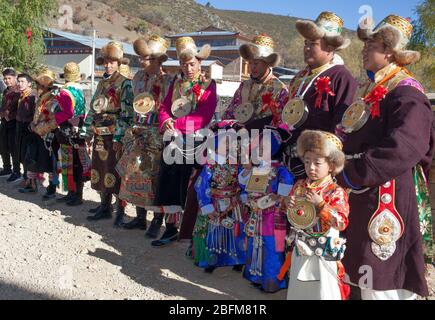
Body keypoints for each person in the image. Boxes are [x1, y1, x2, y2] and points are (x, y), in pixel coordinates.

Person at [336, 15, 434, 300]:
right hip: (363, 188)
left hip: (387, 191)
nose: (364, 48)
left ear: (390, 51)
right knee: (360, 263)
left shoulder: (407, 92)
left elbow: (405, 146)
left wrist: (353, 172)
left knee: (381, 270)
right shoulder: (368, 90)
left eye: (372, 44)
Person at [154, 36, 217, 247]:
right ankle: (171, 228)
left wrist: (177, 124)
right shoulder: (176, 82)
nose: (188, 68)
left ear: (200, 62)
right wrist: (165, 122)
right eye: (184, 64)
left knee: (191, 185)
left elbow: (203, 116)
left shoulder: (209, 84)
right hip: (174, 139)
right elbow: (164, 107)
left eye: (192, 64)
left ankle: (192, 232)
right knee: (170, 181)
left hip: (196, 141)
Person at [283, 11, 357, 179]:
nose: (307, 48)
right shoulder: (298, 78)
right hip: (292, 162)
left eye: (313, 44)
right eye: (306, 43)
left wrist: (320, 161)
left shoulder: (342, 77)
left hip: (319, 167)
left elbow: (341, 125)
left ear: (330, 47)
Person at [282, 130, 349, 300]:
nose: (311, 167)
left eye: (317, 163)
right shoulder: (299, 186)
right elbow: (288, 212)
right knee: (300, 289)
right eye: (307, 161)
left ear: (332, 165)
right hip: (300, 250)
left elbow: (341, 223)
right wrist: (286, 203)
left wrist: (321, 205)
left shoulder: (336, 192)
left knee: (324, 291)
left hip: (324, 252)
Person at [117, 35, 172, 238]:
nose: (141, 61)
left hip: (156, 135)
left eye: (146, 58)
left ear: (158, 60)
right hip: (137, 131)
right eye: (141, 57)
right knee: (134, 173)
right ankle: (140, 217)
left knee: (154, 176)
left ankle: (157, 220)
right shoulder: (137, 78)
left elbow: (169, 109)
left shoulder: (168, 81)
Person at [81, 41, 134, 227]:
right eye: (105, 62)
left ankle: (120, 210)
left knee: (115, 170)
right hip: (100, 133)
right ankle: (104, 206)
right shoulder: (102, 83)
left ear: (119, 63)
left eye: (112, 62)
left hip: (115, 134)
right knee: (101, 168)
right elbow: (93, 107)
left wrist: (120, 137)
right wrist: (87, 131)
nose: (108, 65)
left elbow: (128, 114)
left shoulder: (125, 84)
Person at [239, 125, 294, 293]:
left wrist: (269, 200)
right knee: (255, 245)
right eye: (259, 147)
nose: (261, 150)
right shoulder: (256, 168)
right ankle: (256, 276)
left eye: (265, 147)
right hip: (256, 215)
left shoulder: (282, 171)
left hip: (272, 217)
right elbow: (243, 184)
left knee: (271, 247)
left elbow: (283, 195)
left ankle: (272, 281)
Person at [193, 120, 247, 273]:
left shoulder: (239, 164)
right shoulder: (210, 165)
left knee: (236, 230)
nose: (229, 147)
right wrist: (207, 206)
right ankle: (211, 259)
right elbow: (201, 186)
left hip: (234, 202)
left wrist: (243, 195)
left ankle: (238, 259)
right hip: (215, 202)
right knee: (214, 231)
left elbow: (243, 182)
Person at [223, 34, 288, 129]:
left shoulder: (280, 89)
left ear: (267, 63)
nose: (252, 67)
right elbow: (230, 113)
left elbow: (283, 122)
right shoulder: (244, 86)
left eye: (256, 63)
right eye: (250, 63)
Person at [55, 62, 90, 206]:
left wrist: (55, 118)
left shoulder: (64, 91)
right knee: (77, 162)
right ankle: (75, 193)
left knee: (70, 163)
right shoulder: (79, 90)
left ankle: (74, 194)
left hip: (67, 130)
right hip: (79, 129)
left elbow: (67, 113)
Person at [21, 69, 59, 197]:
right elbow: (37, 116)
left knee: (51, 164)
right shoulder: (40, 99)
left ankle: (52, 187)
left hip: (49, 137)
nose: (39, 88)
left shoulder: (54, 100)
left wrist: (39, 128)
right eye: (38, 85)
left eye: (42, 86)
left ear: (48, 87)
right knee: (32, 159)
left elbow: (54, 121)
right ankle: (31, 184)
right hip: (37, 135)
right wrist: (33, 123)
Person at [15, 73, 37, 189]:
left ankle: (31, 182)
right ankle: (26, 178)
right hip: (20, 126)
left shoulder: (33, 96)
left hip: (28, 128)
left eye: (22, 81)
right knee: (21, 153)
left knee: (28, 155)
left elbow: (35, 114)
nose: (19, 84)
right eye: (18, 81)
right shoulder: (21, 94)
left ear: (29, 83)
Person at [0, 68, 21, 181]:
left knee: (14, 148)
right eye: (5, 78)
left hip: (14, 122)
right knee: (3, 145)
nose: (7, 81)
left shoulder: (19, 91)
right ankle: (7, 168)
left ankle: (17, 171)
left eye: (9, 78)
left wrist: (8, 115)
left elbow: (18, 109)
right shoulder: (5, 91)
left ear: (14, 78)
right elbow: (4, 107)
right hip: (4, 121)